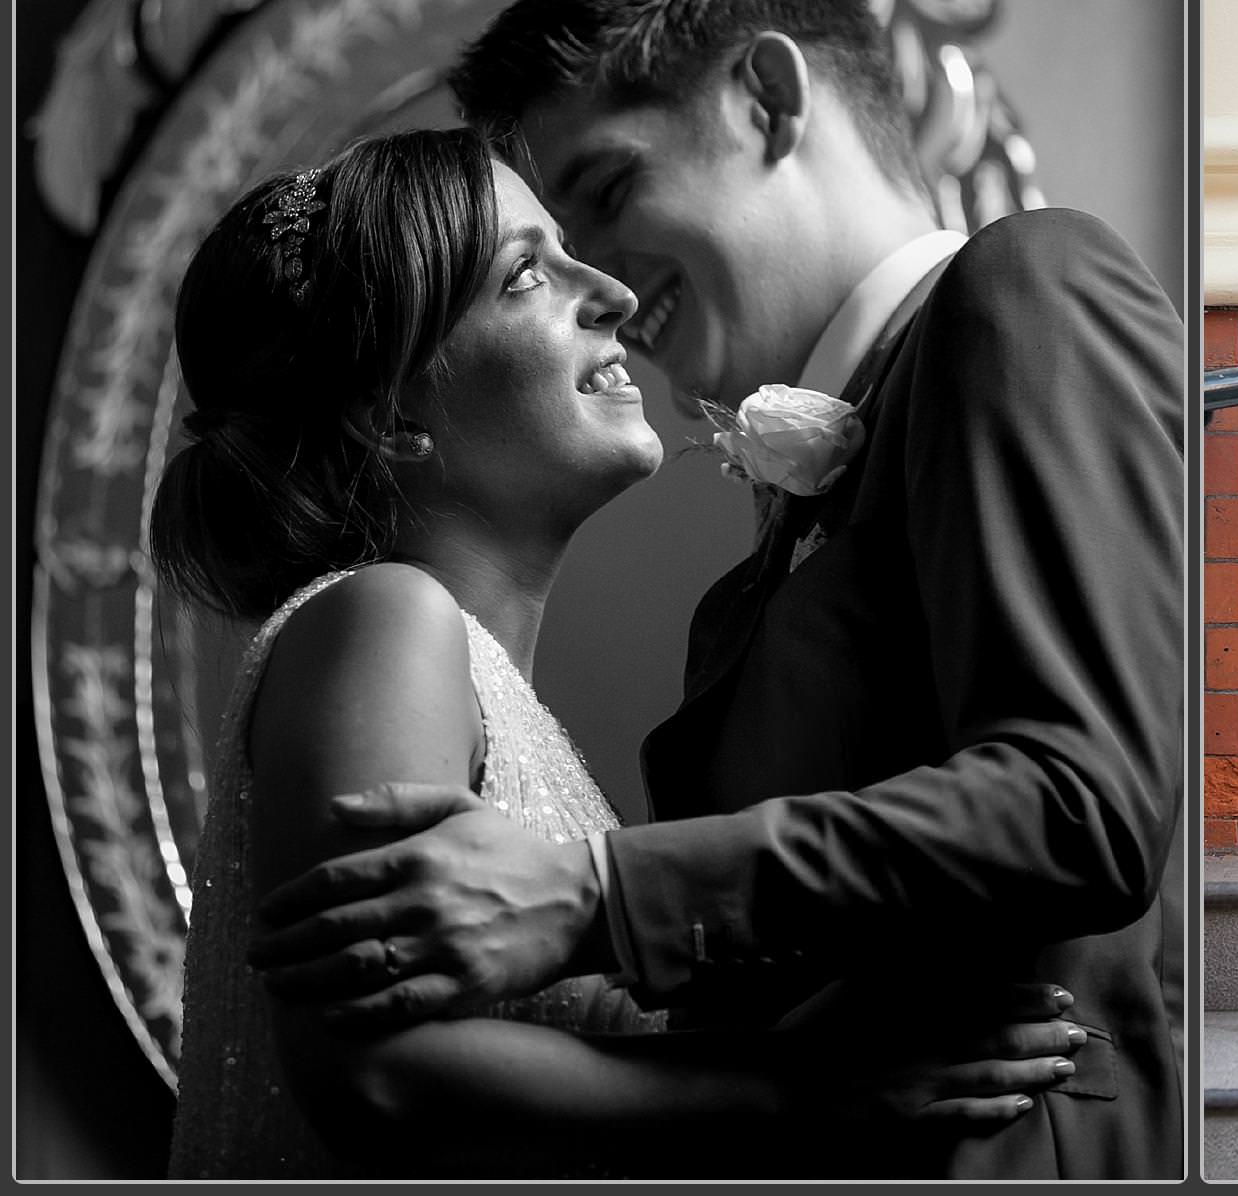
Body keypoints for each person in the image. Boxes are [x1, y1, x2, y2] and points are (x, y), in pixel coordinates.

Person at [243, 0, 1187, 1179]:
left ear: (767, 101)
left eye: (612, 190)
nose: (616, 299)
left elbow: (1082, 805)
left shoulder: (1028, 283)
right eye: (539, 263)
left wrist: (596, 895)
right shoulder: (747, 577)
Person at [158, 130, 1083, 1177]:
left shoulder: (475, 681)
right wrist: (814, 1090)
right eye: (524, 274)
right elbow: (376, 1075)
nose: (608, 291)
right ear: (394, 416)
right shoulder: (382, 619)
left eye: (570, 248)